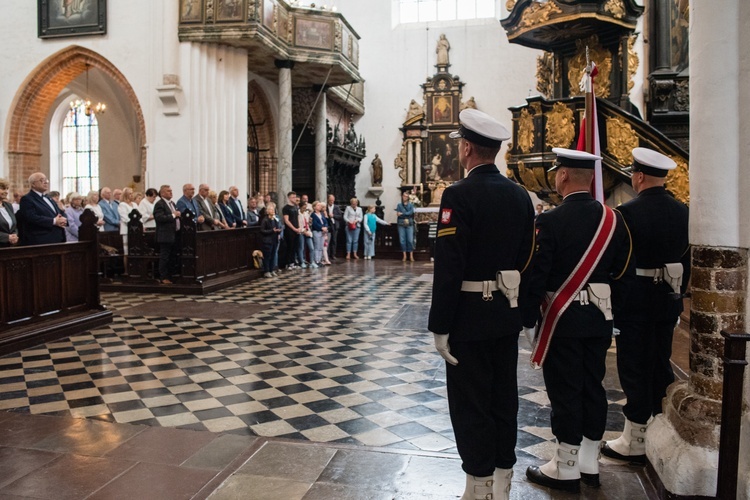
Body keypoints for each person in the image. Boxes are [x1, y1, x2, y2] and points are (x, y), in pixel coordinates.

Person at [427, 109, 534, 500]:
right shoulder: (520, 194)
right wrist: (519, 306)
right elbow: (528, 256)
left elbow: (449, 266)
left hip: (468, 318)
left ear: (467, 147)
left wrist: (440, 325)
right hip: (506, 315)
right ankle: (504, 481)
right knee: (504, 397)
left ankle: (479, 486)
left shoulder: (458, 195)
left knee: (471, 403)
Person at [522, 148, 634, 493]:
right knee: (593, 384)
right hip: (599, 318)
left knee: (565, 389)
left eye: (557, 172)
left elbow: (537, 275)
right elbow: (622, 269)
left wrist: (527, 318)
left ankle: (566, 467)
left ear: (564, 175)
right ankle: (588, 461)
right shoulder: (614, 220)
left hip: (563, 320)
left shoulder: (549, 221)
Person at [602, 148, 690, 464]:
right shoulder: (684, 211)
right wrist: (678, 297)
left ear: (638, 176)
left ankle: (635, 438)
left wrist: (615, 303)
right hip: (668, 298)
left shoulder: (627, 213)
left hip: (635, 300)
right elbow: (687, 260)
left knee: (634, 365)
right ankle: (660, 424)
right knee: (659, 360)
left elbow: (620, 264)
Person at [18, 172, 67, 246]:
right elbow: (31, 217)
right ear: (33, 184)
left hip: (58, 238)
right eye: (41, 180)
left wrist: (64, 219)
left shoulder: (48, 198)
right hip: (42, 240)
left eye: (46, 180)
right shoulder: (27, 199)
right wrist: (53, 221)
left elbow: (59, 212)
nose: (45, 182)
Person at [153, 185, 181, 285]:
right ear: (162, 193)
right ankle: (163, 277)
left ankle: (171, 275)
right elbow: (159, 218)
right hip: (165, 235)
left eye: (171, 190)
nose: (171, 192)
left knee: (172, 256)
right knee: (165, 257)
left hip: (174, 234)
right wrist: (173, 215)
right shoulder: (160, 204)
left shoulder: (172, 203)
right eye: (168, 191)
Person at [260, 202, 282, 278]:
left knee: (273, 255)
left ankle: (271, 269)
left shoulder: (275, 219)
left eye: (273, 210)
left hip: (274, 239)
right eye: (271, 210)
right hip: (267, 241)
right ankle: (266, 271)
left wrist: (279, 231)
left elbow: (277, 227)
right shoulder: (265, 220)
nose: (273, 211)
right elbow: (262, 230)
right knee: (267, 256)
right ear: (268, 211)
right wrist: (272, 231)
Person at [118, 187, 141, 257]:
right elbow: (124, 217)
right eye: (130, 193)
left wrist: (140, 224)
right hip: (127, 230)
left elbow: (139, 215)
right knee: (127, 252)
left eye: (132, 193)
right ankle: (127, 267)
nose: (132, 195)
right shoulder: (122, 205)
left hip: (136, 230)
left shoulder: (134, 204)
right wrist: (133, 224)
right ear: (125, 195)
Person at [281, 191, 301, 269]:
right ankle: (288, 263)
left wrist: (299, 227)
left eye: (295, 197)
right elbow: (286, 220)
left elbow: (297, 218)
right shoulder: (286, 208)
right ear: (289, 198)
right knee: (290, 246)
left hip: (296, 229)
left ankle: (293, 262)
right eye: (293, 197)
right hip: (290, 230)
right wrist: (294, 228)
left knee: (295, 247)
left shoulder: (295, 207)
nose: (294, 198)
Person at [396, 191, 416, 262]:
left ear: (408, 198)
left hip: (409, 224)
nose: (405, 197)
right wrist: (404, 214)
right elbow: (398, 213)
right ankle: (404, 255)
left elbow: (410, 213)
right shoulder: (399, 205)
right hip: (401, 224)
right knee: (402, 240)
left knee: (410, 240)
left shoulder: (411, 205)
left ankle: (411, 255)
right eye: (404, 196)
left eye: (406, 196)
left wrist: (403, 214)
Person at [0, 178, 19, 247]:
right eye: (3, 189)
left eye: (6, 189)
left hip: (9, 246)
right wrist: (7, 237)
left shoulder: (8, 205)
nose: (6, 192)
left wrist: (14, 235)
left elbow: (14, 226)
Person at [311, 201, 330, 266]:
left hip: (323, 232)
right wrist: (321, 228)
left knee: (321, 246)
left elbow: (325, 221)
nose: (320, 207)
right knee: (317, 246)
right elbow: (314, 224)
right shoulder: (313, 215)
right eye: (318, 205)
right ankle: (316, 260)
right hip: (317, 231)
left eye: (320, 205)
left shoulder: (321, 214)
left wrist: (325, 227)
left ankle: (320, 260)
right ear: (314, 207)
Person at [298, 202, 315, 268]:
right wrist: (303, 231)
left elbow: (308, 224)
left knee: (311, 247)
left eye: (305, 207)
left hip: (308, 231)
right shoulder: (298, 214)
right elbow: (298, 224)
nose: (305, 208)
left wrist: (310, 222)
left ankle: (312, 262)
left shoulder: (306, 214)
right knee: (301, 247)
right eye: (303, 207)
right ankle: (302, 262)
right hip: (301, 232)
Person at [326, 194, 342, 261]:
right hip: (328, 225)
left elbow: (340, 216)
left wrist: (333, 216)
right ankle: (327, 255)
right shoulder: (325, 207)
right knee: (327, 241)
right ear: (328, 200)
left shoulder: (336, 207)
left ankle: (333, 255)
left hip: (335, 225)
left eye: (333, 200)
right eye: (330, 200)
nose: (331, 201)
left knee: (334, 241)